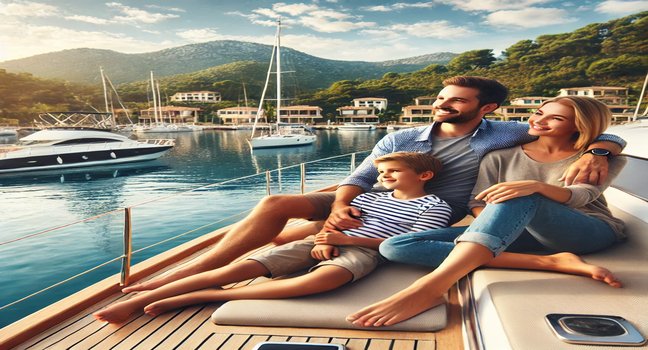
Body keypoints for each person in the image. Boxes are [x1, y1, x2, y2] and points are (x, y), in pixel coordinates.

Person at [122, 76, 625, 294]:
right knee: (280, 201)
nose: (443, 106)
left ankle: (287, 248)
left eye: (455, 102)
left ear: (485, 108)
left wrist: (602, 149)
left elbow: (587, 128)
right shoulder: (402, 135)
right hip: (377, 197)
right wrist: (340, 205)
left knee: (320, 237)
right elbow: (360, 178)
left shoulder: (510, 133)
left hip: (432, 211)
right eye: (442, 98)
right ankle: (193, 271)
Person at [347, 96, 626, 328]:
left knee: (518, 194)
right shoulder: (500, 156)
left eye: (556, 118)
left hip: (587, 229)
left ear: (580, 125)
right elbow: (476, 201)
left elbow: (582, 196)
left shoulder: (595, 158)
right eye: (539, 112)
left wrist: (535, 186)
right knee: (395, 246)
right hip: (521, 229)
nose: (539, 121)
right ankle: (553, 262)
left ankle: (429, 289)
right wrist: (494, 227)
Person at [94, 152, 453, 323]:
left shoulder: (434, 207)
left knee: (324, 280)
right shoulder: (368, 197)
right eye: (381, 171)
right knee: (245, 265)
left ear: (423, 175)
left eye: (392, 171)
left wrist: (349, 244)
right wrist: (327, 237)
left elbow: (405, 246)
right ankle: (148, 296)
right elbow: (335, 223)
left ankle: (202, 295)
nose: (383, 176)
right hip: (328, 242)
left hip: (368, 253)